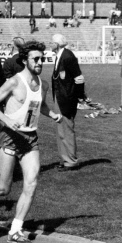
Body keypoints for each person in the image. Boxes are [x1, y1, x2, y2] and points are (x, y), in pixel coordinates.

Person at [0, 40, 62, 243]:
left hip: (30, 137)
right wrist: (7, 120)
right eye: (36, 59)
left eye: (42, 59)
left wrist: (52, 114)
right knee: (2, 190)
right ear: (25, 60)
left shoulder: (44, 84)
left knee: (32, 181)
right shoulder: (15, 81)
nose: (40, 62)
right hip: (9, 136)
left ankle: (16, 229)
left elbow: (39, 106)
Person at [50, 34, 85, 171]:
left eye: (51, 42)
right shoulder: (60, 56)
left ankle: (71, 161)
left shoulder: (68, 56)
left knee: (67, 129)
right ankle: (65, 158)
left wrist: (79, 96)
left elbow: (79, 78)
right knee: (61, 129)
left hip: (66, 98)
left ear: (57, 44)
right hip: (59, 97)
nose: (49, 44)